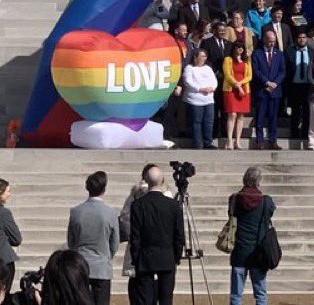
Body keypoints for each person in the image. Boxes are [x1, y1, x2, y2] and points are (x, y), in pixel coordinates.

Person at [130, 165, 184, 305]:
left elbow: (135, 237)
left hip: (145, 258)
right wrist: (176, 257)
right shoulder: (173, 206)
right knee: (166, 299)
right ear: (163, 180)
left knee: (145, 300)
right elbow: (179, 235)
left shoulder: (137, 205)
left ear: (146, 181)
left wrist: (136, 258)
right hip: (166, 257)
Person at [67, 171, 120, 305]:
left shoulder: (76, 212)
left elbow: (71, 240)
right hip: (101, 267)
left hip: (80, 265)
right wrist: (106, 257)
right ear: (104, 189)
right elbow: (115, 242)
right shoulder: (110, 213)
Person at [229, 167, 276, 305]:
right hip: (258, 251)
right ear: (258, 181)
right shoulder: (266, 201)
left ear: (244, 180)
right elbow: (270, 214)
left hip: (239, 251)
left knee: (236, 295)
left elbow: (231, 215)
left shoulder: (234, 199)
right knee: (260, 294)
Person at [251, 30, 287, 150]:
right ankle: (259, 141)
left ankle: (273, 141)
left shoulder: (279, 54)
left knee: (273, 117)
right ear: (265, 40)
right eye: (270, 41)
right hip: (262, 89)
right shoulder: (257, 53)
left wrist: (275, 83)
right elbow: (256, 70)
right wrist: (266, 82)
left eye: (274, 41)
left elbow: (282, 71)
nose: (272, 43)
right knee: (260, 117)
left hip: (275, 91)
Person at [183, 49, 218, 149]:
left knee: (208, 122)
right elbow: (188, 81)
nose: (203, 58)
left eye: (205, 56)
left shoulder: (208, 68)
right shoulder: (189, 68)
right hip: (195, 100)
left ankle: (208, 142)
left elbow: (214, 81)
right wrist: (200, 89)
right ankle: (198, 142)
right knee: (196, 122)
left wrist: (212, 88)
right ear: (195, 57)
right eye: (201, 56)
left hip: (208, 99)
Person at [223, 42, 253, 150]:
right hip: (231, 89)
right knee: (232, 114)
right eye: (238, 47)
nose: (240, 49)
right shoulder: (228, 59)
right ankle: (229, 140)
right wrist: (237, 85)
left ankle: (238, 140)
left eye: (242, 47)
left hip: (244, 89)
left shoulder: (246, 61)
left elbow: (249, 76)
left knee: (241, 116)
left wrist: (241, 84)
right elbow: (227, 75)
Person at [285, 31, 312, 143]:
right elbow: (286, 68)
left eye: (304, 37)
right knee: (295, 110)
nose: (302, 39)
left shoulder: (311, 51)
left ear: (307, 39)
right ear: (296, 39)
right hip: (294, 85)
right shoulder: (290, 51)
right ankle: (294, 133)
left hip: (307, 86)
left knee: (306, 111)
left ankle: (305, 133)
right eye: (299, 37)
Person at [0, 179, 21, 295]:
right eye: (7, 191)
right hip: (3, 262)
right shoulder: (3, 213)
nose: (9, 194)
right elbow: (16, 239)